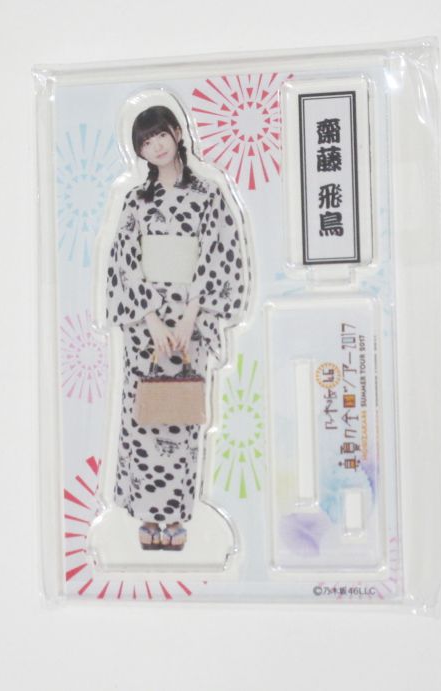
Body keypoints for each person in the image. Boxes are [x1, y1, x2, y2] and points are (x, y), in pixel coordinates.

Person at [105, 104, 248, 551]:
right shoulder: (136, 200)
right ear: (139, 151)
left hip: (192, 324)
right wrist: (149, 318)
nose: (156, 146)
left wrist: (189, 316)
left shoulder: (207, 194)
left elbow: (221, 251)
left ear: (177, 133)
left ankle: (175, 515)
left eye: (161, 135)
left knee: (182, 417)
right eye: (146, 142)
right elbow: (124, 261)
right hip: (145, 327)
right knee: (144, 416)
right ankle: (148, 514)